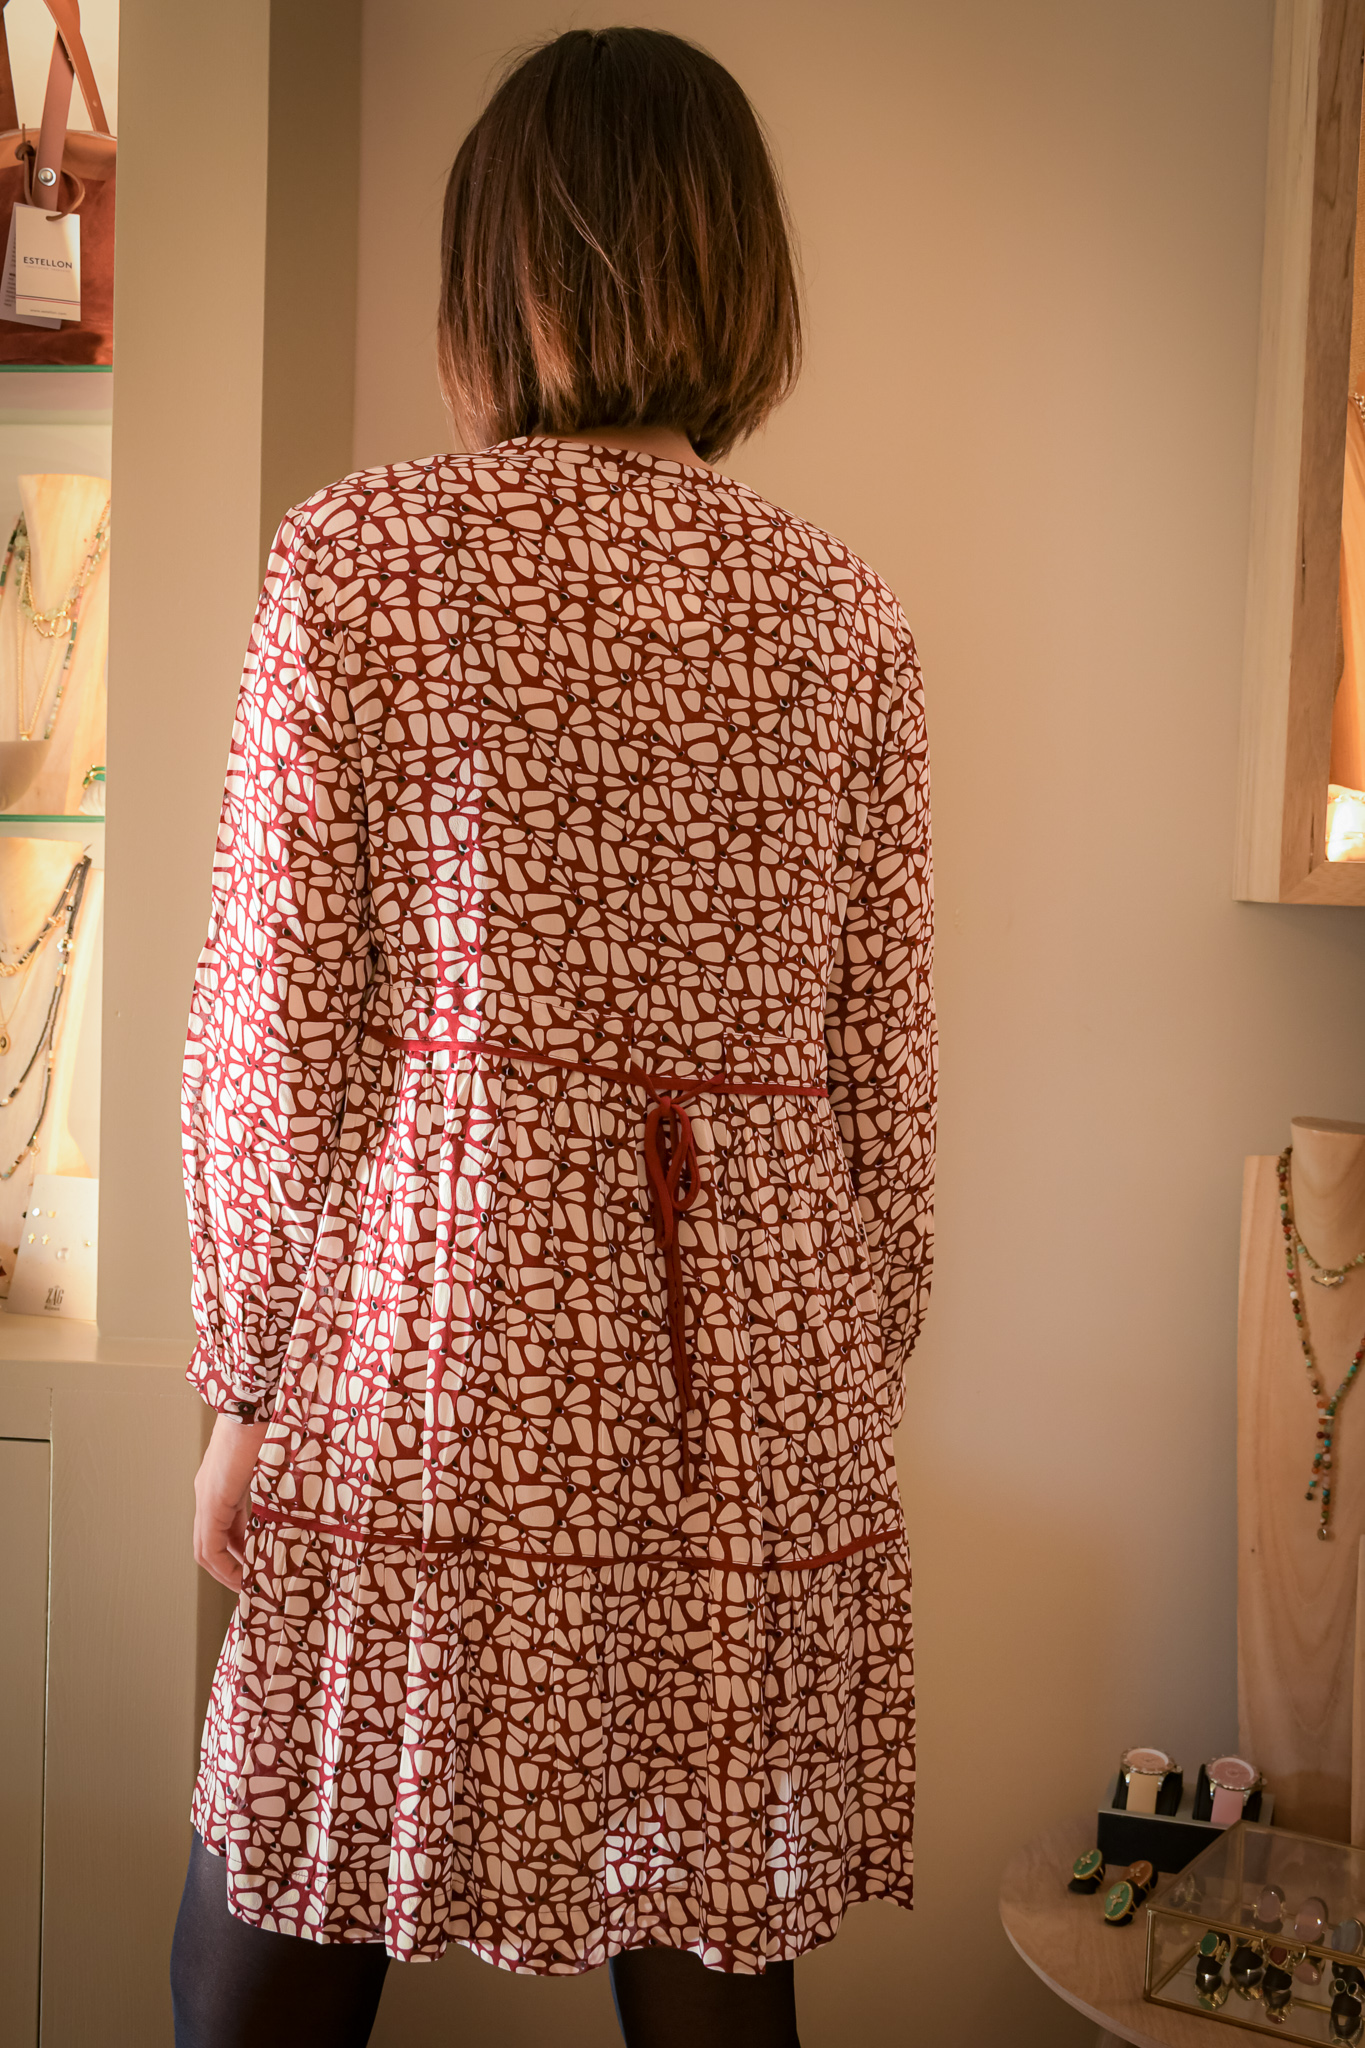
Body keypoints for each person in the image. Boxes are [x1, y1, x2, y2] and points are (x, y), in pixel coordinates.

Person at [170, 25, 934, 2048]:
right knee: (703, 1929)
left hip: (433, 1344)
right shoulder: (843, 615)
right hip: (744, 1382)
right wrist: (832, 1381)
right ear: (739, 271)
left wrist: (244, 1381)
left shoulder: (361, 561)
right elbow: (885, 1075)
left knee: (275, 1912)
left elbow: (273, 1028)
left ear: (493, 266)